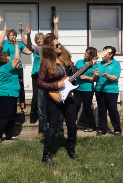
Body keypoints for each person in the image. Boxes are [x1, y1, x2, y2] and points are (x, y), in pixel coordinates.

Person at [38, 35, 96, 164]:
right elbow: (40, 83)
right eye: (57, 45)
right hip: (54, 98)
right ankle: (46, 156)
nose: (60, 46)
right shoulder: (46, 63)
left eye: (59, 44)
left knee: (72, 125)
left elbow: (76, 72)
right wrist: (55, 85)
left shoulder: (66, 59)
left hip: (69, 97)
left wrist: (89, 65)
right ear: (49, 48)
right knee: (52, 127)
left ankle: (71, 151)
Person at [21, 17, 64, 138]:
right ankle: (42, 131)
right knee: (41, 106)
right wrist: (28, 35)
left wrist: (55, 24)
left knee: (57, 104)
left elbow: (56, 37)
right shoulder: (40, 48)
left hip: (54, 79)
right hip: (42, 79)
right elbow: (29, 46)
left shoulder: (53, 48)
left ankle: (59, 130)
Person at [0, 24, 32, 113]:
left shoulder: (19, 45)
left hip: (18, 68)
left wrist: (24, 33)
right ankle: (12, 105)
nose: (12, 36)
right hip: (8, 68)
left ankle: (22, 106)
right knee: (10, 85)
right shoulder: (5, 43)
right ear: (8, 36)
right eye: (11, 35)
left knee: (20, 86)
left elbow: (29, 51)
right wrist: (1, 24)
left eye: (14, 35)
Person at [0, 40, 22, 143]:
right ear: (5, 59)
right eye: (8, 57)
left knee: (11, 115)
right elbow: (17, 58)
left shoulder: (5, 68)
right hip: (8, 95)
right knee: (7, 115)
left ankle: (9, 135)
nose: (10, 58)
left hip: (10, 94)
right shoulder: (6, 66)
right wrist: (16, 46)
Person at [93, 46, 122, 136]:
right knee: (101, 110)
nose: (103, 54)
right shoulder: (99, 64)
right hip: (99, 90)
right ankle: (102, 129)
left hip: (111, 91)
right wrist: (96, 75)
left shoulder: (116, 64)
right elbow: (94, 79)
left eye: (105, 52)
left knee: (112, 110)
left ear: (110, 54)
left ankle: (117, 129)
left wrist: (107, 75)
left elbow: (115, 77)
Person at [75, 47, 97, 132]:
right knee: (75, 106)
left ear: (92, 55)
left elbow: (95, 79)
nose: (85, 54)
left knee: (87, 107)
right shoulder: (79, 62)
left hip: (88, 89)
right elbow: (74, 72)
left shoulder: (95, 65)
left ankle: (92, 126)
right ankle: (72, 125)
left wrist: (86, 77)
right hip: (77, 88)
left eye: (87, 53)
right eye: (85, 52)